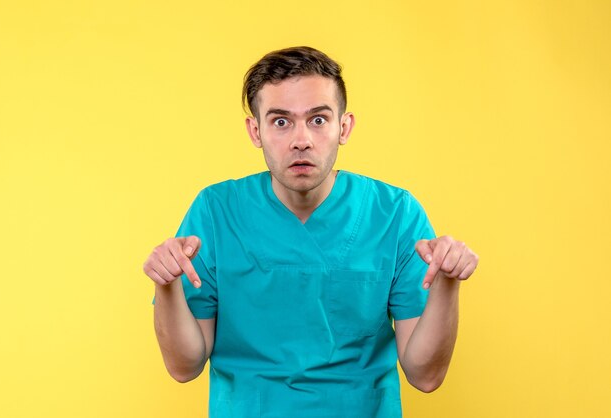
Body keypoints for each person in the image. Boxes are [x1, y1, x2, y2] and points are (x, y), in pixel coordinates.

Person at [143, 46, 479, 417]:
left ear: (344, 127)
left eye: (318, 120)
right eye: (281, 121)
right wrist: (167, 286)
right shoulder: (216, 212)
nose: (300, 139)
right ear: (256, 130)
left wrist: (448, 281)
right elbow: (183, 367)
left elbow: (425, 375)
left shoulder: (394, 214)